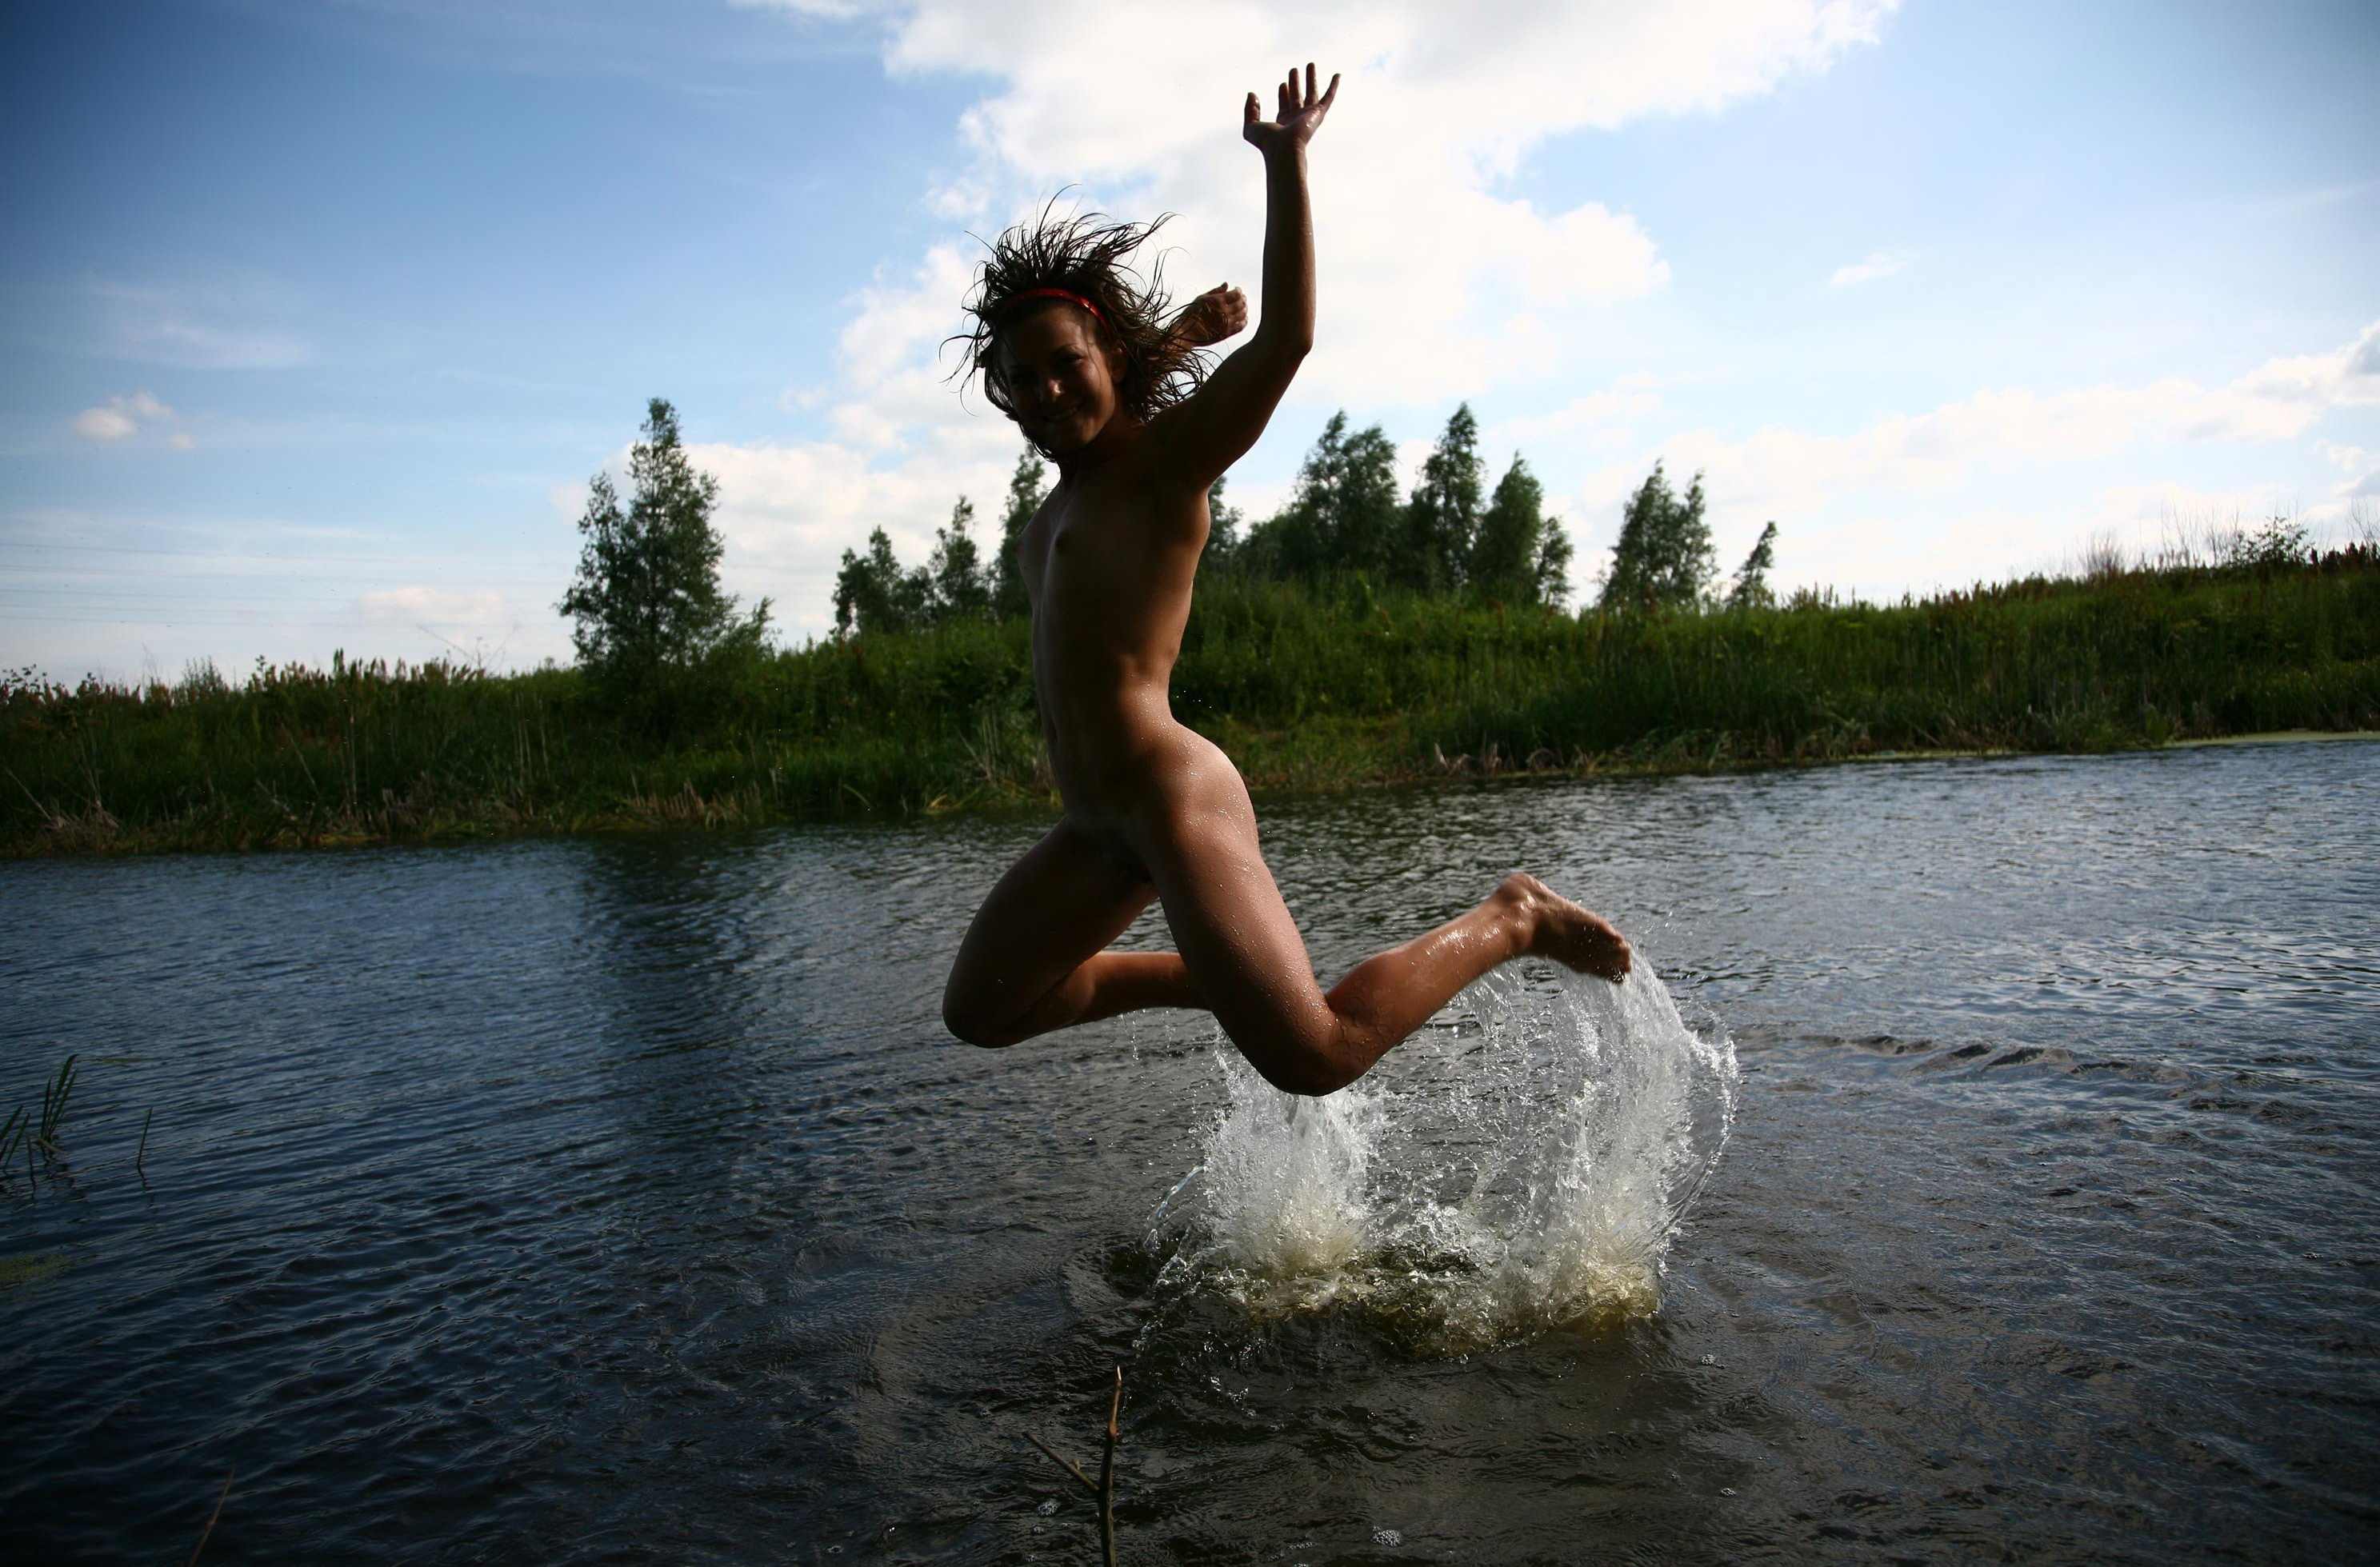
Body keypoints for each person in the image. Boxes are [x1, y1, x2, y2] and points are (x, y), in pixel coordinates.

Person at [940, 64, 1631, 1096]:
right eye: (1019, 380)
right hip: (1097, 823)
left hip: (1172, 801)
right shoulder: (1064, 504)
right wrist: (1167, 340)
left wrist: (1286, 164)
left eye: (1065, 365)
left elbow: (1289, 336)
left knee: (1319, 1057)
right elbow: (1103, 402)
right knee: (983, 1009)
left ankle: (1513, 916)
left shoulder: (1165, 467)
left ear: (1106, 360)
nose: (1044, 391)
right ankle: (1220, 979)